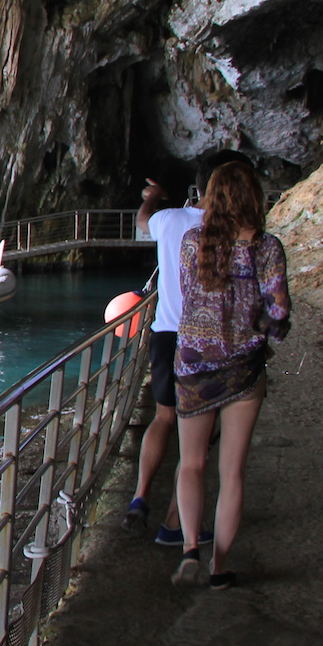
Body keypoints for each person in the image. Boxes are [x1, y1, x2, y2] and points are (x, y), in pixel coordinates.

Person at [170, 161, 290, 590]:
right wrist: (256, 321)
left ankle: (189, 549)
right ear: (253, 196)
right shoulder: (266, 247)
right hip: (243, 368)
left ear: (211, 196)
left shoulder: (191, 243)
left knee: (191, 463)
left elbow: (189, 295)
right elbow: (279, 312)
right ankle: (219, 569)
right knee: (232, 471)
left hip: (194, 366)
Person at [123, 153, 251, 544]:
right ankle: (174, 524)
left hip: (166, 333)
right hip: (208, 341)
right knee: (197, 437)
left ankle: (140, 495)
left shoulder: (171, 220)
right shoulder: (232, 230)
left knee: (162, 418)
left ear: (199, 185)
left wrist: (153, 196)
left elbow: (142, 222)